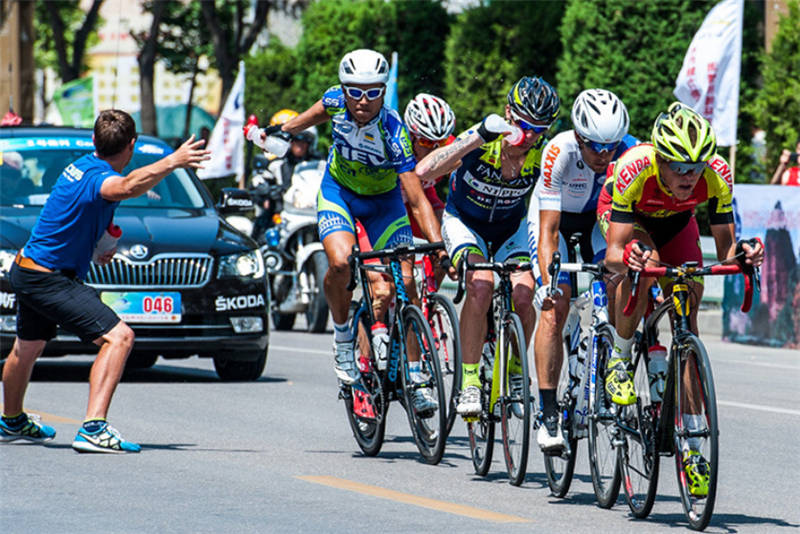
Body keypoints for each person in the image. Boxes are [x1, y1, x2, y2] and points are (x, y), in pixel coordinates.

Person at [0, 109, 210, 453]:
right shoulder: (101, 179)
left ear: (94, 141)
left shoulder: (83, 165)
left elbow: (97, 204)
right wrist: (173, 161)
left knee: (28, 347)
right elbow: (124, 187)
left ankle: (11, 420)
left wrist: (101, 241)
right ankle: (93, 428)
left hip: (28, 269)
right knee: (120, 338)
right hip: (49, 277)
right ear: (131, 145)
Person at [251, 49, 445, 412]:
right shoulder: (335, 102)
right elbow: (308, 118)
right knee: (340, 264)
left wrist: (438, 245)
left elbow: (418, 199)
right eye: (355, 91)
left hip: (384, 204)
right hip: (338, 194)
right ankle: (342, 340)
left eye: (373, 92)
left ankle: (416, 375)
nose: (363, 101)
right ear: (344, 90)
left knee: (407, 282)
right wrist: (277, 133)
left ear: (384, 92)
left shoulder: (394, 132)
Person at [598, 102, 763, 496]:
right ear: (660, 159)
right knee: (646, 265)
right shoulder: (635, 167)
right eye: (680, 167)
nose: (690, 176)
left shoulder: (717, 175)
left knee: (688, 299)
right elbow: (613, 254)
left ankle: (692, 442)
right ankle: (619, 357)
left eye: (697, 166)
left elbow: (725, 253)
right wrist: (630, 257)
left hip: (677, 224)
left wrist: (743, 254)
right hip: (630, 219)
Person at [416, 76, 560, 419]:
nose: (531, 136)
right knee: (481, 284)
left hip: (510, 228)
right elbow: (423, 170)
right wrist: (479, 135)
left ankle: (515, 371)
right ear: (509, 114)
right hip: (465, 224)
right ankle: (469, 381)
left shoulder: (543, 152)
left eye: (540, 129)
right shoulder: (485, 139)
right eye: (525, 125)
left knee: (524, 293)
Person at [527, 88, 637, 452]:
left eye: (611, 147)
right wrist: (547, 283)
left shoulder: (631, 152)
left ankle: (608, 363)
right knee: (555, 305)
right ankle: (547, 413)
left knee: (619, 278)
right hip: (556, 220)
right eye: (595, 147)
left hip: (598, 222)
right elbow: (548, 231)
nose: (604, 155)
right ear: (578, 136)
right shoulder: (559, 152)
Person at [250, 109, 321, 243]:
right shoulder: (278, 164)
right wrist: (266, 190)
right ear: (290, 142)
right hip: (281, 212)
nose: (300, 144)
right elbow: (258, 181)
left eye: (305, 140)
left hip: (309, 211)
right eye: (297, 139)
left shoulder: (318, 164)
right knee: (263, 233)